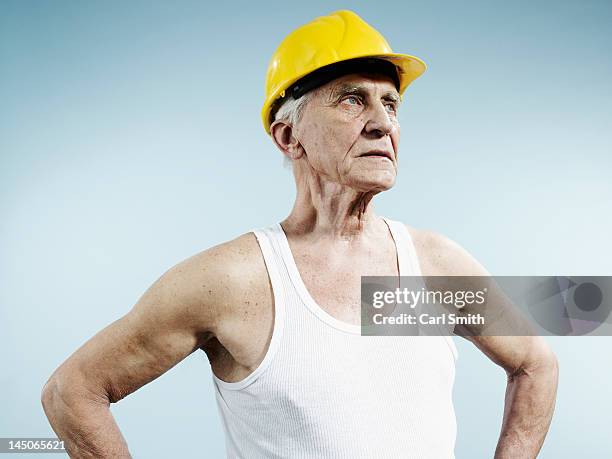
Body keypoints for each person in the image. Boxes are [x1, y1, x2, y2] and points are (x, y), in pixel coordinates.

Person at [41, 10, 559, 458]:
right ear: (289, 137)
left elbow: (536, 363)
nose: (383, 123)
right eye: (352, 100)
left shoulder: (433, 266)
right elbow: (73, 392)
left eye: (391, 104)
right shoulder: (231, 280)